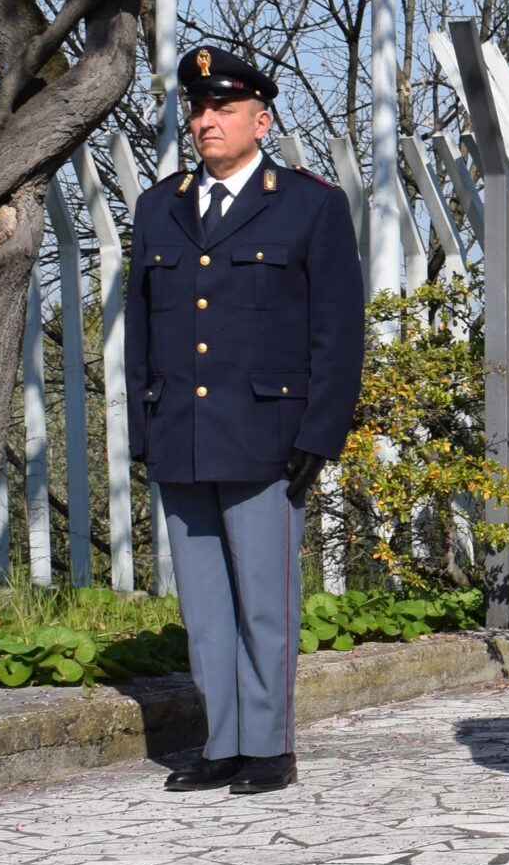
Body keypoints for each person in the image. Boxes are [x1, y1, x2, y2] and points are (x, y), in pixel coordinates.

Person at [128, 45, 367, 796]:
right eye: (197, 110)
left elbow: (337, 333)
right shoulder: (157, 206)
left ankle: (269, 744)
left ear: (260, 120)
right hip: (183, 438)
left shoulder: (308, 204)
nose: (206, 122)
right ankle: (222, 741)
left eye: (223, 110)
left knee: (264, 603)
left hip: (267, 440)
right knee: (204, 608)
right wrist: (144, 432)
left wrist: (318, 435)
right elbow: (142, 331)